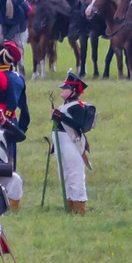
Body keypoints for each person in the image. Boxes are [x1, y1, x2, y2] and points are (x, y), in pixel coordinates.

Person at [49, 73, 94, 213]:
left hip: (71, 142)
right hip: (61, 143)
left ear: (73, 91)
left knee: (75, 174)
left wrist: (61, 117)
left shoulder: (77, 106)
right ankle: (70, 204)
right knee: (65, 174)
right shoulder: (65, 105)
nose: (62, 90)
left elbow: (78, 125)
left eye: (66, 88)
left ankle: (79, 207)